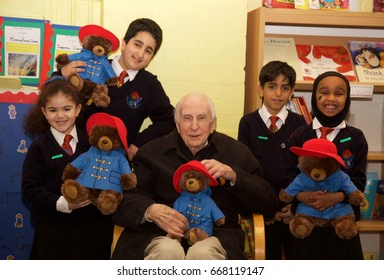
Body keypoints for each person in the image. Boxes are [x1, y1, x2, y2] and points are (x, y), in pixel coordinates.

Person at [111, 92, 278, 260]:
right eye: (187, 118)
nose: (194, 126)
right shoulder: (151, 152)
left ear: (213, 124)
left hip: (216, 236)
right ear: (177, 124)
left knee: (202, 254)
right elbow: (124, 198)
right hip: (158, 234)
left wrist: (234, 176)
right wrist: (150, 210)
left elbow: (268, 203)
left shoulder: (236, 153)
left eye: (202, 118)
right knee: (167, 251)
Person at [21, 76, 113, 259]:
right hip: (52, 230)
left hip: (91, 230)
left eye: (67, 109)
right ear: (44, 112)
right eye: (53, 110)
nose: (60, 115)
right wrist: (61, 203)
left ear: (78, 109)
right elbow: (30, 188)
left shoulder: (93, 144)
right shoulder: (39, 148)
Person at [58, 18, 175, 161]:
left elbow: (168, 120)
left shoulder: (149, 84)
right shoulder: (94, 66)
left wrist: (139, 142)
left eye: (148, 51)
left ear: (151, 57)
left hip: (116, 163)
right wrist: (61, 73)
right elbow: (54, 95)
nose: (140, 54)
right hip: (77, 155)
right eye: (137, 45)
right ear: (124, 44)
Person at [287, 71, 368, 259]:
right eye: (324, 92)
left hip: (341, 226)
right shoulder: (300, 135)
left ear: (347, 99)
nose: (331, 99)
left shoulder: (356, 137)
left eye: (339, 93)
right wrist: (303, 195)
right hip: (306, 224)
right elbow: (290, 175)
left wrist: (335, 197)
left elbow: (358, 181)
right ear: (315, 96)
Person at [238, 61, 307, 259]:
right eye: (272, 86)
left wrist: (292, 206)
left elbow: (302, 169)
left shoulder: (300, 124)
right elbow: (245, 170)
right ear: (260, 90)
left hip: (292, 210)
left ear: (291, 92)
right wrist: (264, 208)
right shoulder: (248, 123)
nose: (278, 93)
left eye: (284, 88)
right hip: (262, 211)